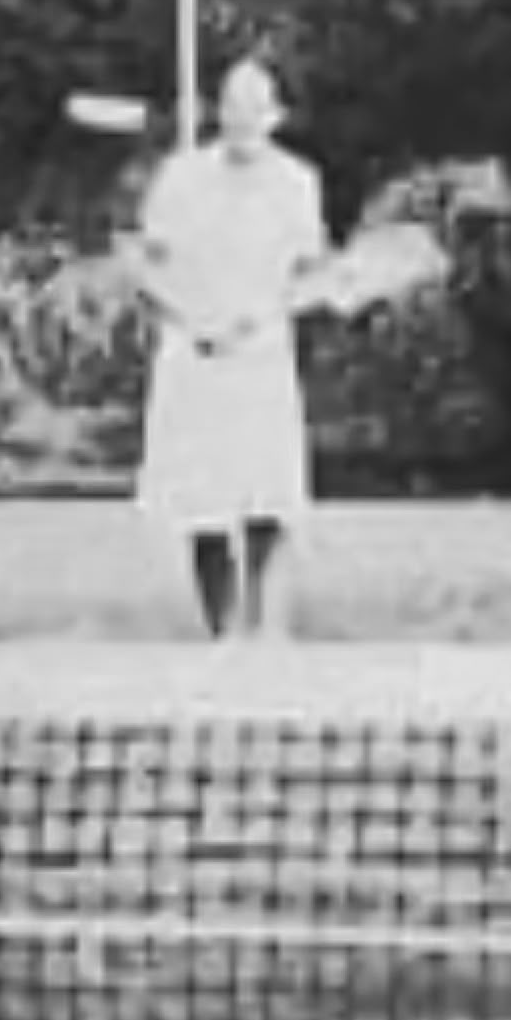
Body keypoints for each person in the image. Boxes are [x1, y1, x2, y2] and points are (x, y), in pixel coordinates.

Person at [130, 57, 329, 641]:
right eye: (232, 106)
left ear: (276, 116)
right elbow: (148, 266)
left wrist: (262, 316)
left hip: (262, 359)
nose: (242, 119)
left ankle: (267, 635)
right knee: (204, 506)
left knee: (268, 499)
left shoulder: (298, 183)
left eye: (255, 108)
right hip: (195, 358)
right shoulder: (181, 178)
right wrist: (194, 317)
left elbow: (310, 274)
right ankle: (224, 635)